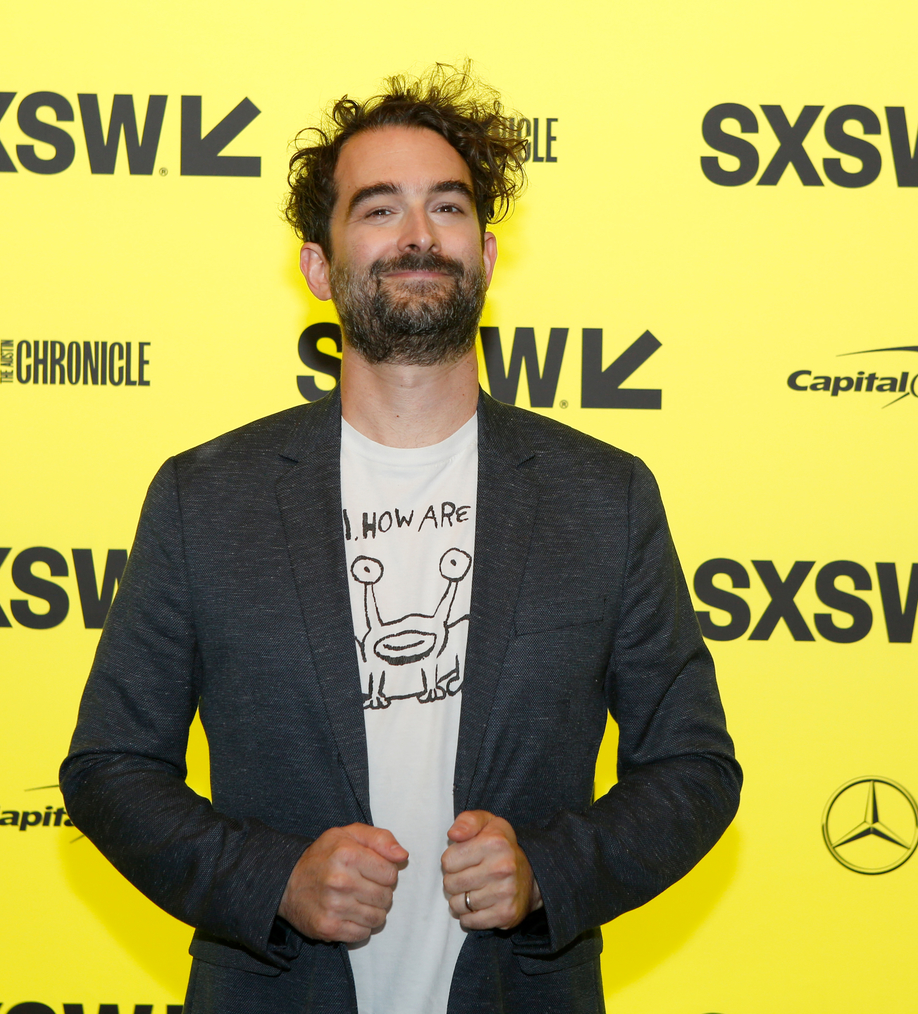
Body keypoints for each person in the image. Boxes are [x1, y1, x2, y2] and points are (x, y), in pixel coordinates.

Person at [60, 64, 740, 1014]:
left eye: (447, 207)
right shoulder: (207, 497)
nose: (419, 234)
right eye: (379, 209)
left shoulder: (602, 496)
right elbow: (110, 768)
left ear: (486, 255)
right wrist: (274, 880)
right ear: (318, 267)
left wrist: (547, 872)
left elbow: (694, 768)